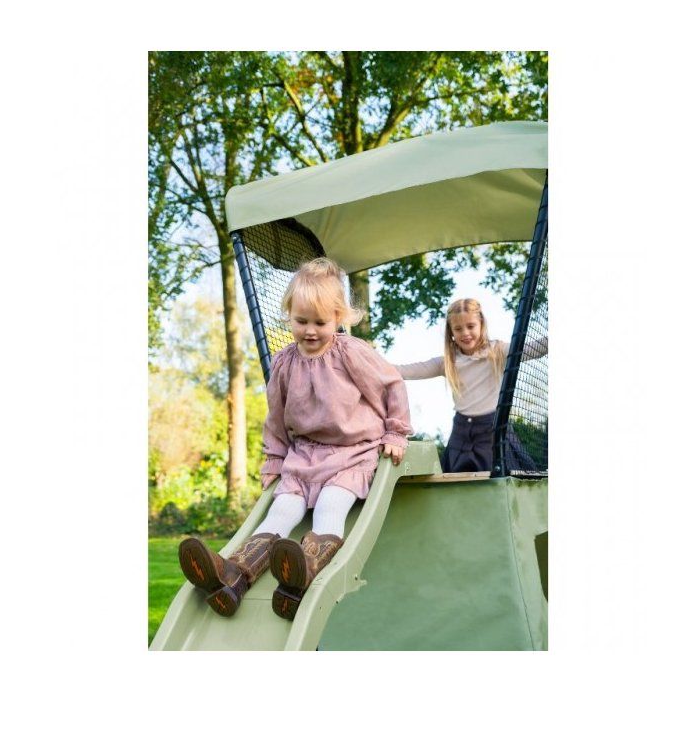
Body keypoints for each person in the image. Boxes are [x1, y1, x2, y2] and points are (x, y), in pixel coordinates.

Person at [178, 258, 412, 620]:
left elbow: (391, 384)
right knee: (282, 510)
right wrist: (274, 459)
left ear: (338, 318)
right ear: (289, 315)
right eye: (301, 321)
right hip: (303, 458)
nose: (310, 331)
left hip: (351, 454)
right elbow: (276, 417)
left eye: (321, 322)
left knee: (331, 505)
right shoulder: (284, 363)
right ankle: (231, 577)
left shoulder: (350, 352)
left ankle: (301, 576)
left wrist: (396, 431)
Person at [396, 297, 547, 473]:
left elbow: (534, 349)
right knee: (456, 481)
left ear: (481, 324)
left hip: (493, 429)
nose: (465, 333)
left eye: (470, 326)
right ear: (451, 332)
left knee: (499, 478)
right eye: (458, 329)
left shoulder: (497, 351)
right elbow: (407, 370)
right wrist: (372, 364)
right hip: (461, 432)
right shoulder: (448, 362)